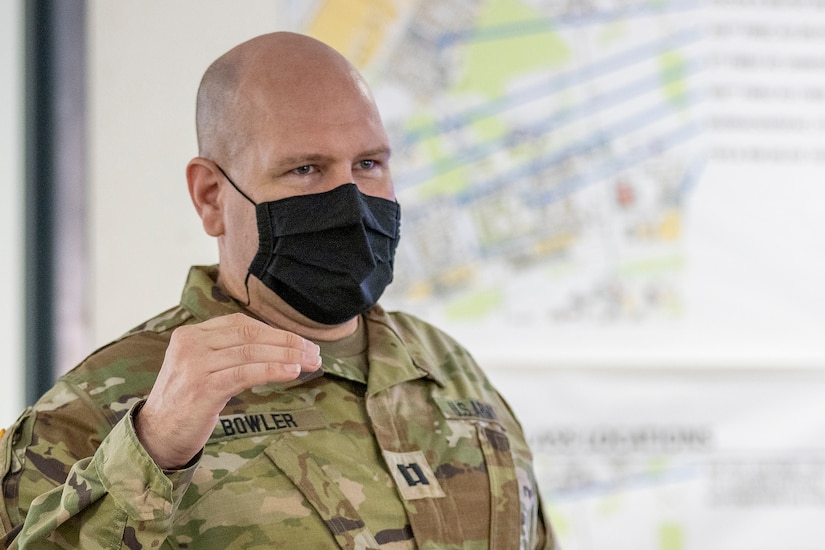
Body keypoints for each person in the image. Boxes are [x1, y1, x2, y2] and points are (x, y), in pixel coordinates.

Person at [0, 32, 554, 549]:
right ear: (212, 196)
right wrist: (153, 450)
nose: (352, 202)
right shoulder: (97, 408)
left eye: (369, 164)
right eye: (305, 169)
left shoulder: (449, 370)